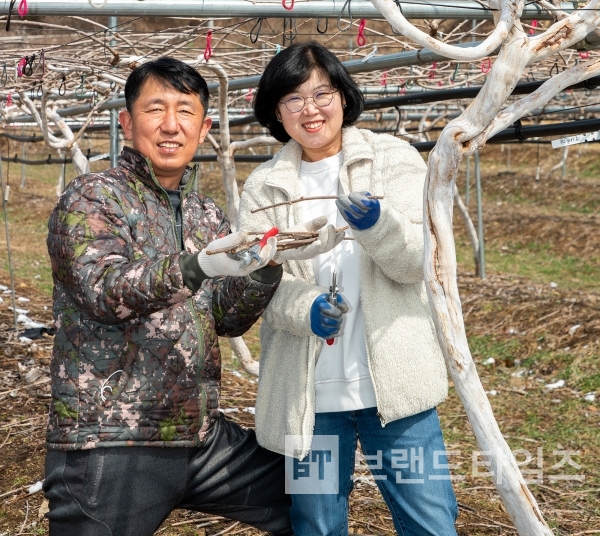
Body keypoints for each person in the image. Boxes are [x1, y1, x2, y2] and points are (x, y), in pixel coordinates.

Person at [44, 57, 294, 536]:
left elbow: (225, 316)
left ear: (204, 129)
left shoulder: (203, 213)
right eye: (155, 109)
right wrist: (194, 267)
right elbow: (103, 290)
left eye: (186, 111)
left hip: (200, 436)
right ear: (126, 122)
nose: (171, 125)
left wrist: (268, 267)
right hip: (112, 439)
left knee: (312, 490)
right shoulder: (94, 197)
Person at [237, 43, 459, 536]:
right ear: (276, 110)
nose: (309, 109)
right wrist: (306, 308)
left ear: (343, 95)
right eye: (293, 99)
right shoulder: (264, 186)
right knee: (317, 525)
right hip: (310, 402)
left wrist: (378, 224)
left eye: (322, 93)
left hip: (396, 392)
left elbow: (418, 262)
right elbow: (260, 283)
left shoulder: (392, 159)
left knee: (430, 521)